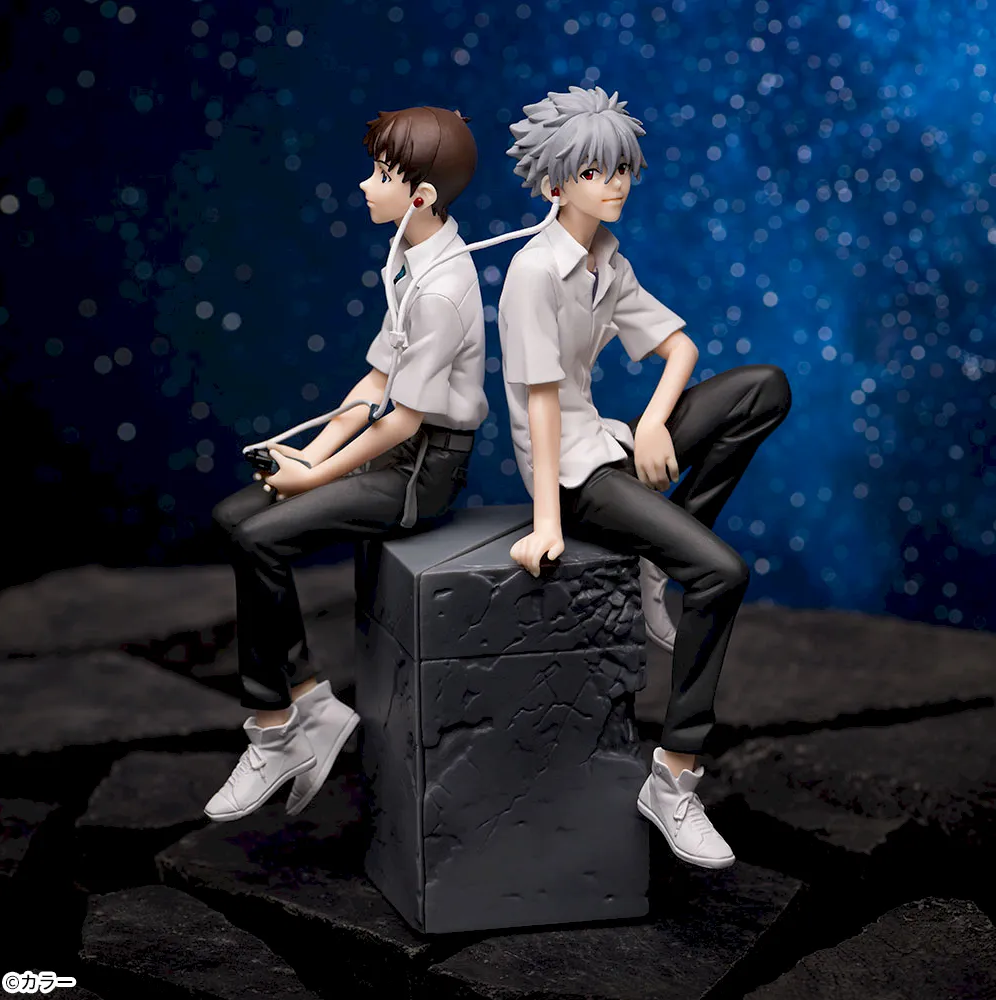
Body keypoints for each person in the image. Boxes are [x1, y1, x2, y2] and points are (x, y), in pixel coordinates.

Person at [499, 86, 791, 869]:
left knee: (763, 388)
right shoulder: (533, 273)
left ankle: (662, 553)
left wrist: (657, 420)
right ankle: (674, 775)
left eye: (622, 167)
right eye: (594, 171)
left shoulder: (606, 260)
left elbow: (680, 347)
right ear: (554, 184)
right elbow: (539, 403)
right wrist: (548, 522)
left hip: (611, 443)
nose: (615, 183)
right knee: (723, 573)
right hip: (571, 476)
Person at [205, 106, 486, 822]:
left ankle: (280, 727)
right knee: (236, 516)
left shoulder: (443, 288)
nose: (365, 185)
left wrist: (315, 479)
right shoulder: (413, 262)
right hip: (390, 454)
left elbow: (404, 418)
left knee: (260, 538)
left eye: (383, 175)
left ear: (420, 196)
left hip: (420, 475)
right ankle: (305, 704)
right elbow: (374, 384)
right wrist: (308, 455)